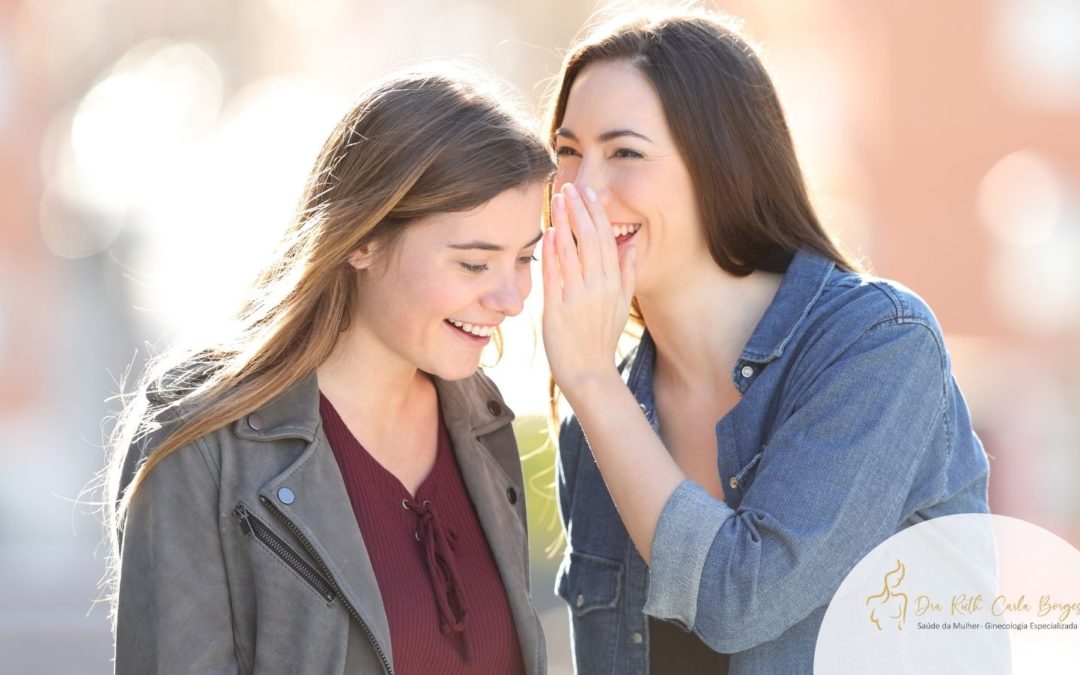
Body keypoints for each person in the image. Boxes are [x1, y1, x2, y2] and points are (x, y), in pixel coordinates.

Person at [540, 10, 990, 675]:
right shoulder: (598, 420)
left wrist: (593, 385)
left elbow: (740, 600)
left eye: (624, 152)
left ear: (722, 164)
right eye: (568, 152)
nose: (582, 190)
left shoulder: (877, 347)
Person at [104, 66, 553, 675]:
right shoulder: (203, 437)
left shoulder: (482, 419)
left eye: (525, 257)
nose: (511, 298)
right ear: (361, 240)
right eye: (475, 264)